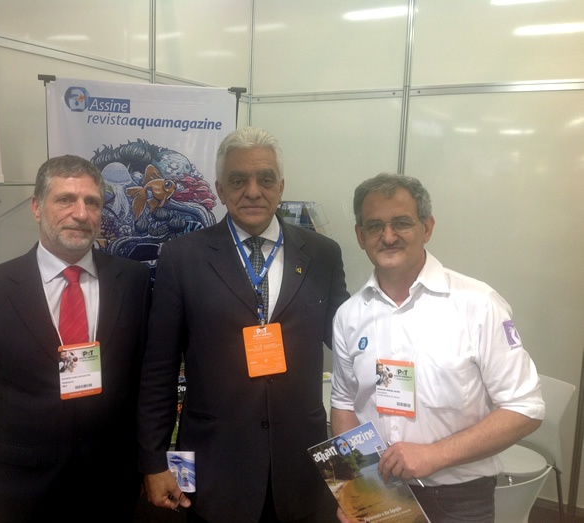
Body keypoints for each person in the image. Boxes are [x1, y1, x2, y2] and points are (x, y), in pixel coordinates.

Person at [137, 127, 350, 522]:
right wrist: (154, 460)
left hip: (302, 467)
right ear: (220, 189)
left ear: (281, 186)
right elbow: (159, 368)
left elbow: (350, 348)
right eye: (238, 181)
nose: (253, 191)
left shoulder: (322, 254)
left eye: (265, 179)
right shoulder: (183, 257)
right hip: (217, 465)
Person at [0, 155, 151, 522]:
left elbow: (145, 385)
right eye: (65, 199)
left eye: (92, 202)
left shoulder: (133, 281)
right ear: (37, 207)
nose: (81, 213)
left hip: (113, 492)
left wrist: (151, 466)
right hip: (23, 496)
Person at [331, 173, 545, 522]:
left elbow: (526, 408)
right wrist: (357, 487)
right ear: (360, 235)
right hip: (380, 490)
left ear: (427, 228)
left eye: (402, 223)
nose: (388, 236)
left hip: (460, 501)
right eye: (375, 226)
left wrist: (434, 455)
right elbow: (343, 404)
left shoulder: (478, 304)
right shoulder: (349, 315)